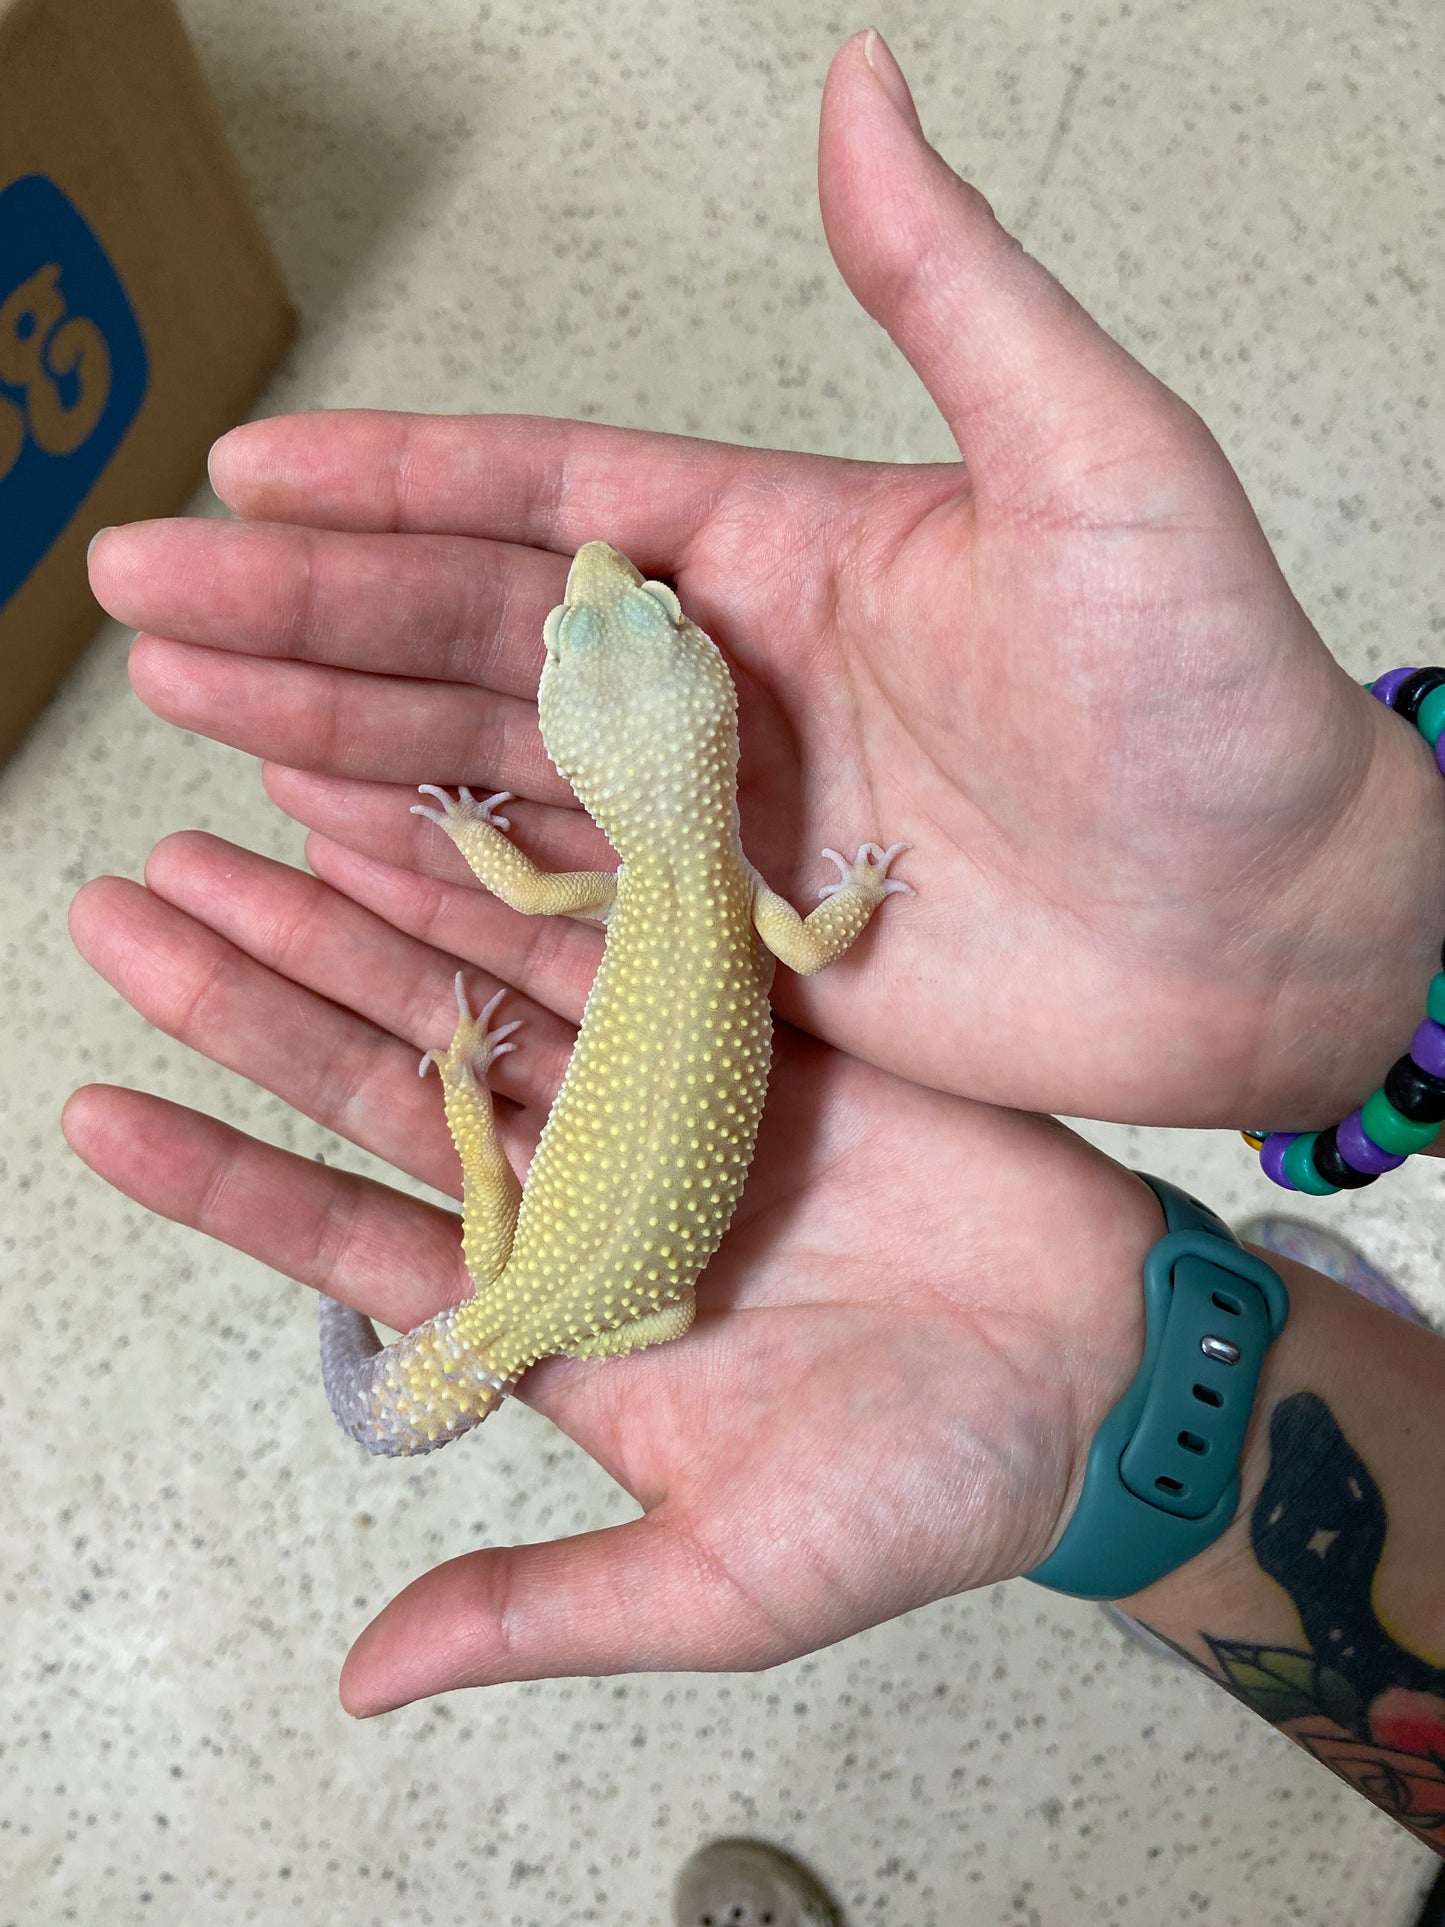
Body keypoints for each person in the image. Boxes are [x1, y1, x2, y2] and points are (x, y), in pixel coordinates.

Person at [67, 25, 1445, 1893]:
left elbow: (619, 928)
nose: (601, 589)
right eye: (611, 624)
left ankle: (1279, 1336)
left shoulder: (640, 921)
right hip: (572, 1247)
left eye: (610, 623)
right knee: (503, 1206)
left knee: (507, 1218)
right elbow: (816, 930)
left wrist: (479, 917)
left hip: (605, 1278)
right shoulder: (713, 892)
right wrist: (847, 895)